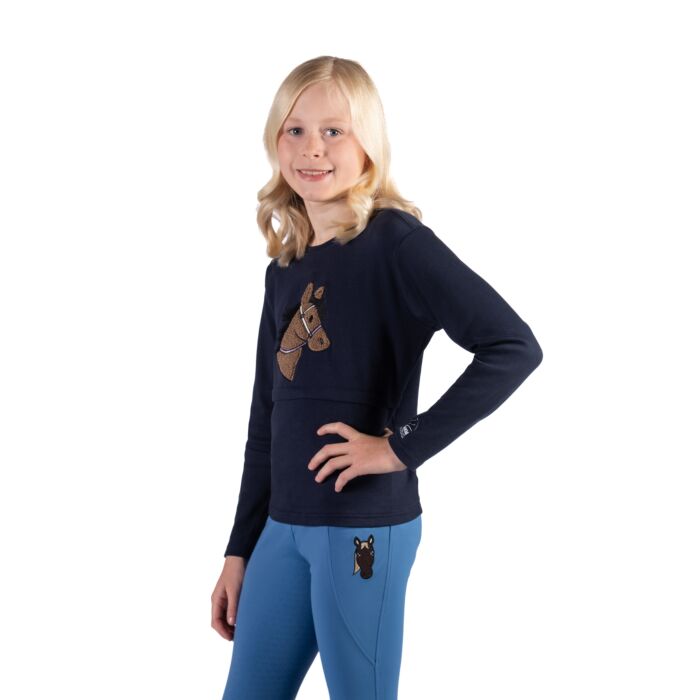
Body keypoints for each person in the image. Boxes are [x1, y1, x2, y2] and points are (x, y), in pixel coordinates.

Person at [211, 55, 543, 700]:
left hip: (360, 527)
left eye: (334, 131)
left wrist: (398, 447)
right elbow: (265, 422)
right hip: (281, 530)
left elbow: (512, 347)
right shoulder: (286, 268)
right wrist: (239, 548)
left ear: (368, 143)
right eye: (295, 130)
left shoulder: (397, 243)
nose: (312, 148)